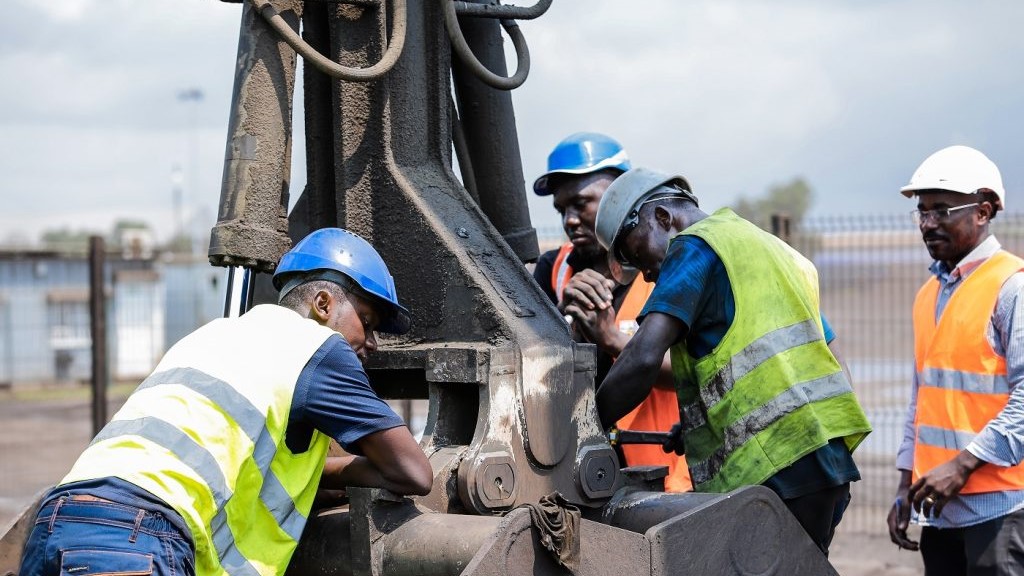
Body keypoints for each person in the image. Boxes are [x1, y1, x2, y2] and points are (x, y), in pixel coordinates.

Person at [19, 228, 433, 576]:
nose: (372, 343)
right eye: (368, 321)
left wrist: (314, 480)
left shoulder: (214, 335)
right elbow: (413, 472)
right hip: (136, 536)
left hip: (57, 520)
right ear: (323, 304)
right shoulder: (318, 347)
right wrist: (350, 474)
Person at [592, 166, 872, 555]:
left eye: (635, 252)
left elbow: (642, 358)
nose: (648, 275)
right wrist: (705, 420)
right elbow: (820, 355)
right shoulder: (772, 248)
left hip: (778, 468)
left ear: (662, 217)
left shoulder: (694, 247)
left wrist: (588, 425)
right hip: (825, 462)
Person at [886, 145, 1024, 575]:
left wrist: (962, 465)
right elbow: (922, 398)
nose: (928, 224)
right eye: (922, 212)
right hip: (939, 509)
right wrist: (905, 484)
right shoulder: (929, 293)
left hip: (1001, 509)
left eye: (942, 210)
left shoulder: (1011, 288)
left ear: (983, 212)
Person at [532, 132, 691, 492]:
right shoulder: (553, 271)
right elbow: (533, 368)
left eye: (581, 203)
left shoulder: (664, 268)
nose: (570, 220)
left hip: (664, 475)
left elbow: (693, 372)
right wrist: (566, 324)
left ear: (621, 193)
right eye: (562, 210)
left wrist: (613, 340)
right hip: (579, 474)